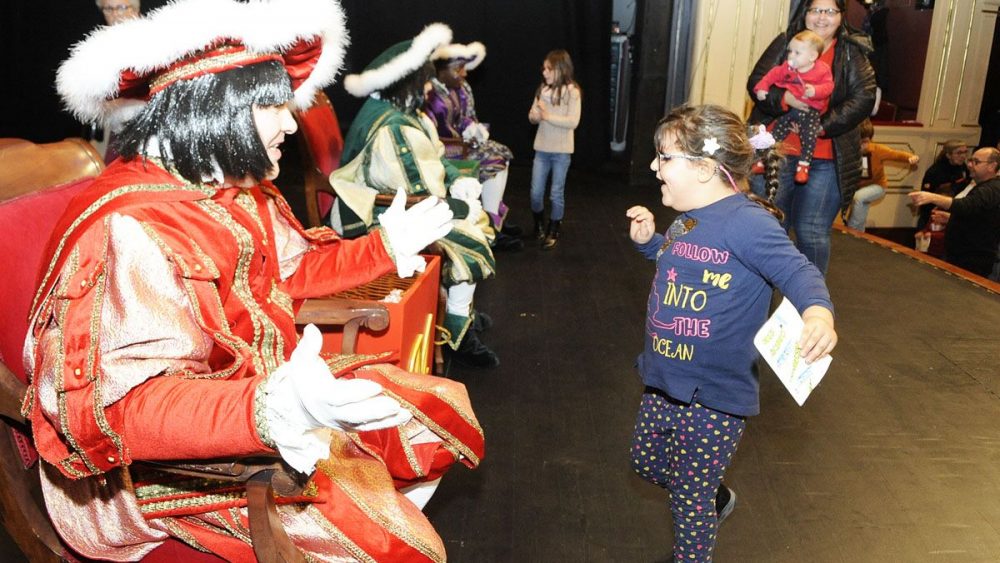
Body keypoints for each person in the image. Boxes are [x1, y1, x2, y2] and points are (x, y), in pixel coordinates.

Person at [32, 1, 484, 560]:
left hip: (265, 385)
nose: (292, 123)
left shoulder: (234, 187)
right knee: (394, 545)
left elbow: (292, 271)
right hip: (158, 469)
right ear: (215, 108)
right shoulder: (129, 227)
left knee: (431, 417)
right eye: (272, 105)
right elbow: (127, 409)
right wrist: (269, 410)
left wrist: (382, 248)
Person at [625, 104, 837, 562]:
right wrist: (650, 244)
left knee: (688, 503)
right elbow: (679, 263)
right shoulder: (686, 221)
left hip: (715, 395)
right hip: (663, 379)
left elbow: (798, 271)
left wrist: (818, 313)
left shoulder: (748, 222)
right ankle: (711, 495)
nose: (653, 167)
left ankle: (700, 507)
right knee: (644, 462)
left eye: (663, 157)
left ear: (703, 169)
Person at [331, 23, 500, 368]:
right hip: (378, 215)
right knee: (470, 237)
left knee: (475, 217)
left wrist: (456, 180)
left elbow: (435, 157)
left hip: (403, 202)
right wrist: (459, 205)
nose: (427, 87)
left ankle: (461, 310)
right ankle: (456, 331)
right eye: (422, 80)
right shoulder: (391, 128)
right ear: (404, 82)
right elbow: (416, 191)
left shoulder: (407, 114)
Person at [747, 0, 877, 275]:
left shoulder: (852, 51)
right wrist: (787, 99)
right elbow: (757, 81)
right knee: (770, 230)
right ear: (804, 13)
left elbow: (863, 97)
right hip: (778, 153)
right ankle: (759, 303)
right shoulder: (785, 41)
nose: (822, 17)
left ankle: (808, 305)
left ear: (842, 17)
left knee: (813, 233)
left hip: (827, 158)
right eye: (816, 10)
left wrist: (821, 126)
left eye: (830, 11)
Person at [425, 40, 523, 252]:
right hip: (443, 152)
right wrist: (462, 141)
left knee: (502, 154)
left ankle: (492, 219)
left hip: (461, 145)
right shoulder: (430, 94)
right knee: (495, 159)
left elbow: (464, 118)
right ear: (441, 71)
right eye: (457, 68)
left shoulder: (457, 89)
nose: (464, 73)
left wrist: (472, 129)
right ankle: (490, 228)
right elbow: (429, 135)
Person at [752, 30, 834, 184]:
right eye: (790, 51)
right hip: (789, 110)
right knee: (776, 134)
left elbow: (829, 86)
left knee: (809, 138)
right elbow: (771, 75)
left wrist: (815, 91)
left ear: (812, 57)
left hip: (810, 112)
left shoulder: (822, 70)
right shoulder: (787, 68)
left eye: (797, 53)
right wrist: (762, 87)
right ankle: (764, 161)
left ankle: (803, 166)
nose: (791, 56)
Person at [908, 147, 1000, 277]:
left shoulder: (993, 188)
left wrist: (932, 197)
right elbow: (977, 216)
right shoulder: (985, 186)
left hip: (973, 258)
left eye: (976, 162)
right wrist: (951, 219)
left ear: (992, 166)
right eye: (970, 161)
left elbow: (966, 205)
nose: (969, 165)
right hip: (961, 254)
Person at [528, 49, 581, 250]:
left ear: (560, 69)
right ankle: (539, 224)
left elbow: (573, 121)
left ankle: (554, 228)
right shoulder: (543, 89)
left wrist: (548, 116)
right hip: (542, 148)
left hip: (561, 151)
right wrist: (537, 115)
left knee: (556, 193)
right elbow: (532, 116)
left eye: (548, 68)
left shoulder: (573, 92)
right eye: (544, 68)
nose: (545, 72)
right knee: (535, 192)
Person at [846, 118, 919, 231]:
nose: (863, 146)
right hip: (859, 188)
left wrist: (910, 157)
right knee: (861, 207)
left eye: (866, 142)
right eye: (859, 142)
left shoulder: (877, 150)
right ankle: (858, 234)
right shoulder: (849, 151)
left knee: (858, 198)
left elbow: (895, 154)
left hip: (878, 186)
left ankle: (850, 230)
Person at [914, 140, 970, 230]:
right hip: (933, 217)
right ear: (948, 155)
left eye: (965, 152)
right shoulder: (935, 172)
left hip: (952, 214)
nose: (963, 156)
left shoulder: (963, 167)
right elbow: (926, 201)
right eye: (959, 153)